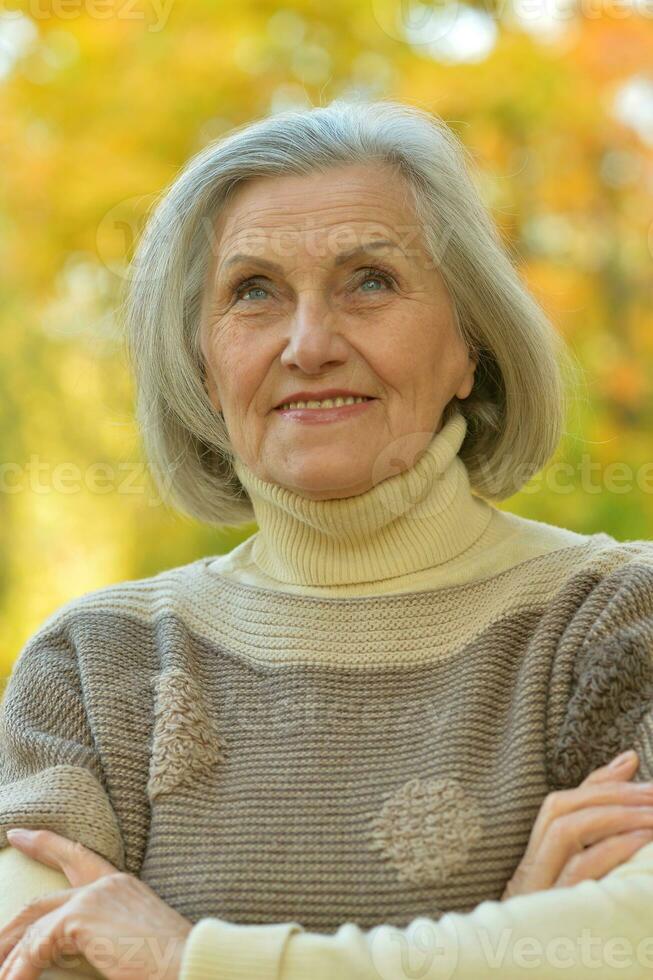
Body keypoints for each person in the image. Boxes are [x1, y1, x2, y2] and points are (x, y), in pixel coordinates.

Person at [1, 98, 653, 980]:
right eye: (253, 292)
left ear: (470, 342)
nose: (308, 345)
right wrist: (516, 939)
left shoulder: (613, 618)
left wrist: (186, 960)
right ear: (202, 361)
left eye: (370, 281)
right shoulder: (93, 663)